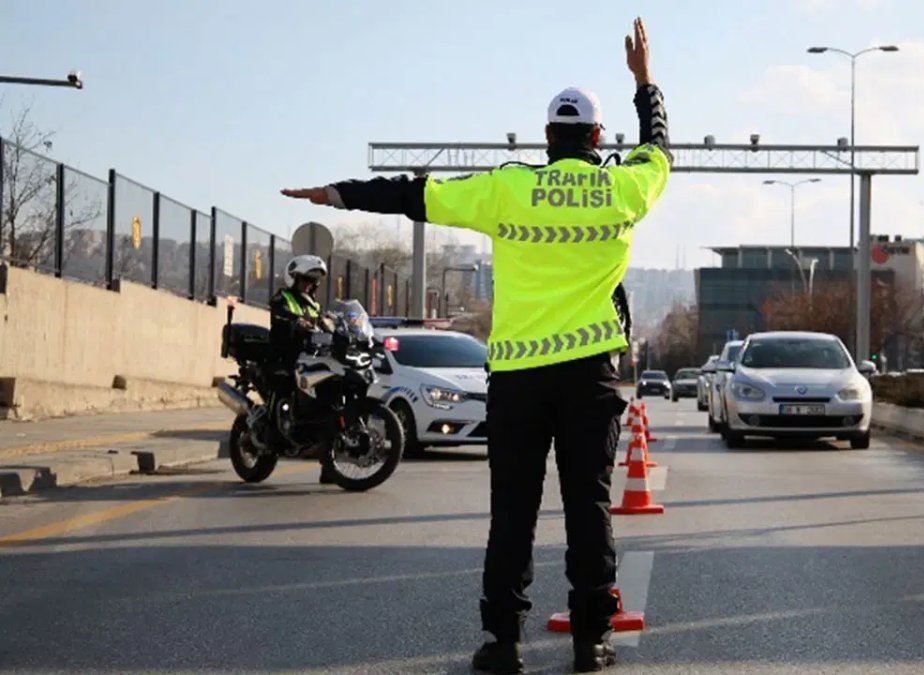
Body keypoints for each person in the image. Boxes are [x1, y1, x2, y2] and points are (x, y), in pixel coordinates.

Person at [280, 17, 670, 673]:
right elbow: (660, 148)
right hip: (589, 378)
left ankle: (503, 643)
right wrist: (645, 81)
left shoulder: (507, 186)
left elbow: (414, 195)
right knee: (590, 508)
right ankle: (590, 641)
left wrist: (336, 194)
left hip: (518, 377)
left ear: (548, 138)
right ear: (599, 139)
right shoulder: (624, 187)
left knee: (512, 513)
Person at [267, 254, 336, 484]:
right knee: (284, 388)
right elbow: (279, 311)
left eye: (312, 281)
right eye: (305, 280)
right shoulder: (282, 297)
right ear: (293, 278)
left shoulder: (313, 303)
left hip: (309, 359)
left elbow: (324, 323)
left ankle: (329, 466)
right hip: (284, 358)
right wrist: (296, 321)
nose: (308, 284)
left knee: (328, 408)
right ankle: (274, 428)